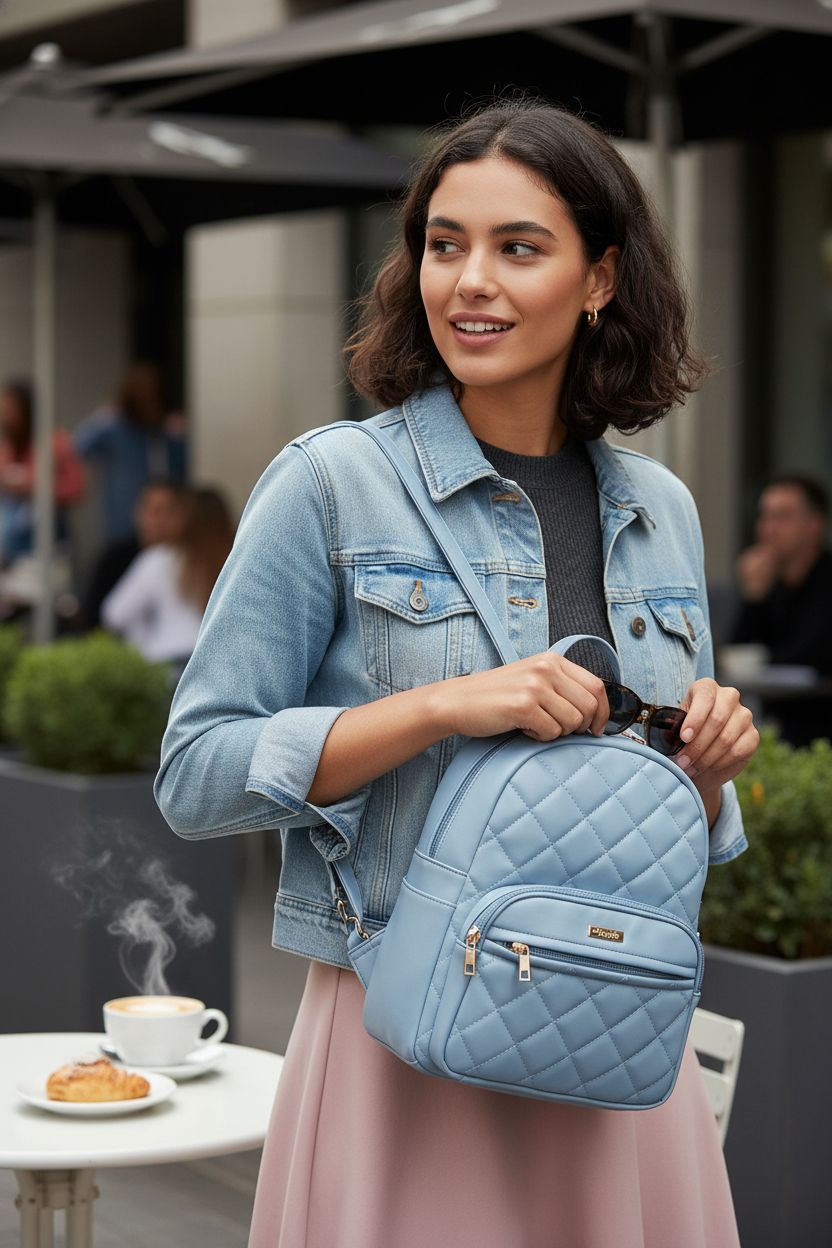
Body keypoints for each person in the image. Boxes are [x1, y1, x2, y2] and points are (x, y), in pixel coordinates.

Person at [155, 100, 759, 1248]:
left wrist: (707, 769)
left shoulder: (662, 511)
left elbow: (657, 828)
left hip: (613, 1035)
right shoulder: (331, 484)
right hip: (405, 1038)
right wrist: (440, 707)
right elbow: (195, 775)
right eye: (445, 244)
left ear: (599, 278)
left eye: (517, 247)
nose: (470, 281)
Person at [731, 473, 832, 746]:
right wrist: (753, 597)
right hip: (773, 728)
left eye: (783, 517)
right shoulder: (769, 585)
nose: (769, 528)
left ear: (814, 525)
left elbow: (813, 654)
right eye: (764, 516)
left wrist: (761, 660)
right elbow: (737, 654)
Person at [101, 487, 233, 671]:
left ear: (184, 520)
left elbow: (114, 615)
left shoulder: (159, 559)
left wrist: (141, 634)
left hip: (167, 660)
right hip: (217, 660)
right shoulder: (233, 562)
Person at [74, 361, 187, 547]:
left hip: (167, 530)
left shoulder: (167, 433)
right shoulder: (114, 427)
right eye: (142, 397)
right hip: (123, 526)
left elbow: (184, 468)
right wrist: (105, 415)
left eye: (152, 397)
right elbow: (78, 446)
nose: (148, 404)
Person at [0, 379, 86, 614]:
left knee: (46, 609)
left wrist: (33, 486)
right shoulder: (6, 447)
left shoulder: (54, 442)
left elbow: (76, 487)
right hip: (11, 552)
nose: (5, 416)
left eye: (10, 409)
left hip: (46, 547)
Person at [76, 479, 188, 631]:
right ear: (138, 513)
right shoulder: (115, 557)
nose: (160, 520)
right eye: (153, 511)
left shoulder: (189, 559)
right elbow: (105, 615)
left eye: (168, 512)